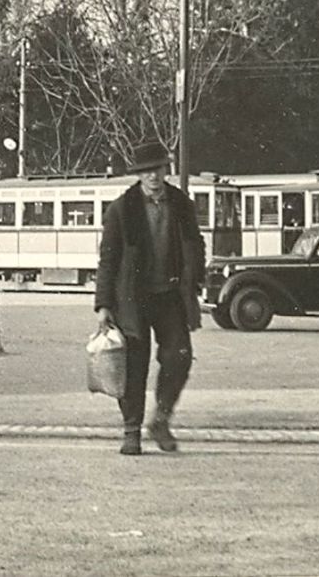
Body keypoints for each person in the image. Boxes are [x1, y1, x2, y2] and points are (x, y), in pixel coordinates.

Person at [94, 141, 205, 456]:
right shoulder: (121, 209)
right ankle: (131, 431)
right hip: (132, 298)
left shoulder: (181, 204)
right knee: (133, 366)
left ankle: (162, 419)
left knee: (179, 356)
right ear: (138, 175)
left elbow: (195, 244)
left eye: (157, 169)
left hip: (170, 296)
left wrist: (194, 278)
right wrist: (104, 304)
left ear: (165, 170)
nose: (153, 176)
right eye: (146, 171)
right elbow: (108, 259)